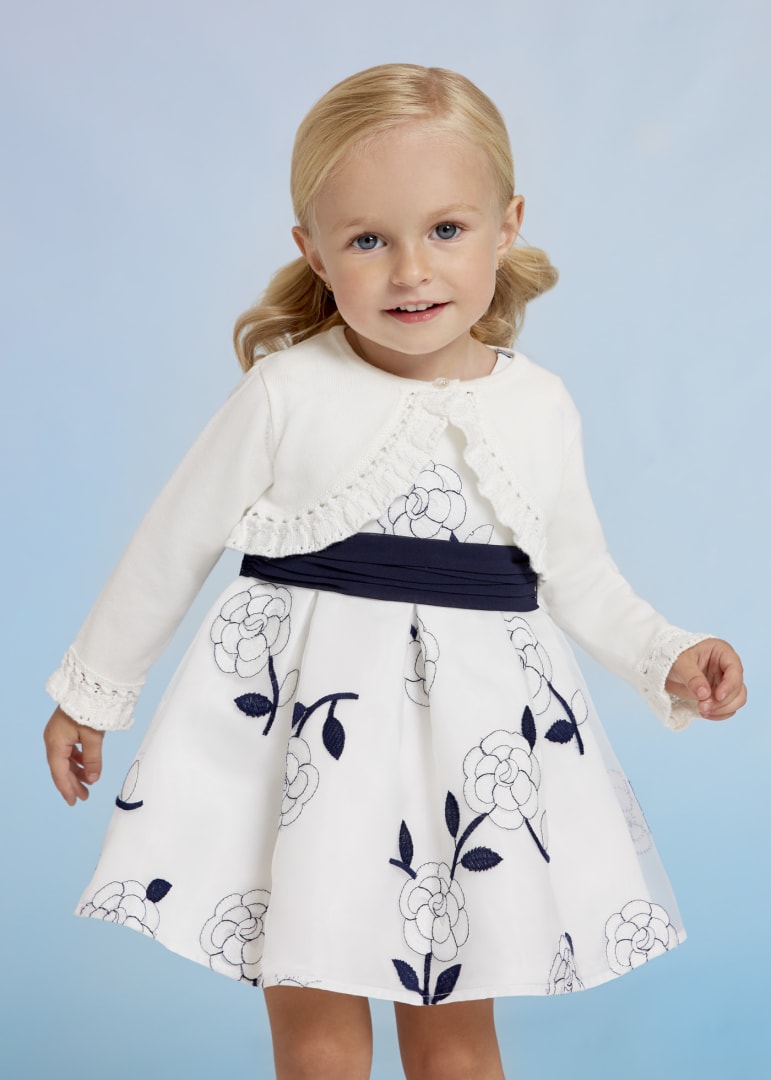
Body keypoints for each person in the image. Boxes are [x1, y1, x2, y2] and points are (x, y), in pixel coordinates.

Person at [44, 64, 747, 1080]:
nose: (411, 271)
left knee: (455, 1040)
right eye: (369, 240)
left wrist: (670, 653)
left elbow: (580, 575)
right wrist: (93, 693)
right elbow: (172, 542)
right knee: (318, 1037)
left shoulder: (537, 406)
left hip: (473, 750)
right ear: (314, 252)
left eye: (445, 230)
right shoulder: (288, 391)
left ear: (507, 226)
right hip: (306, 749)